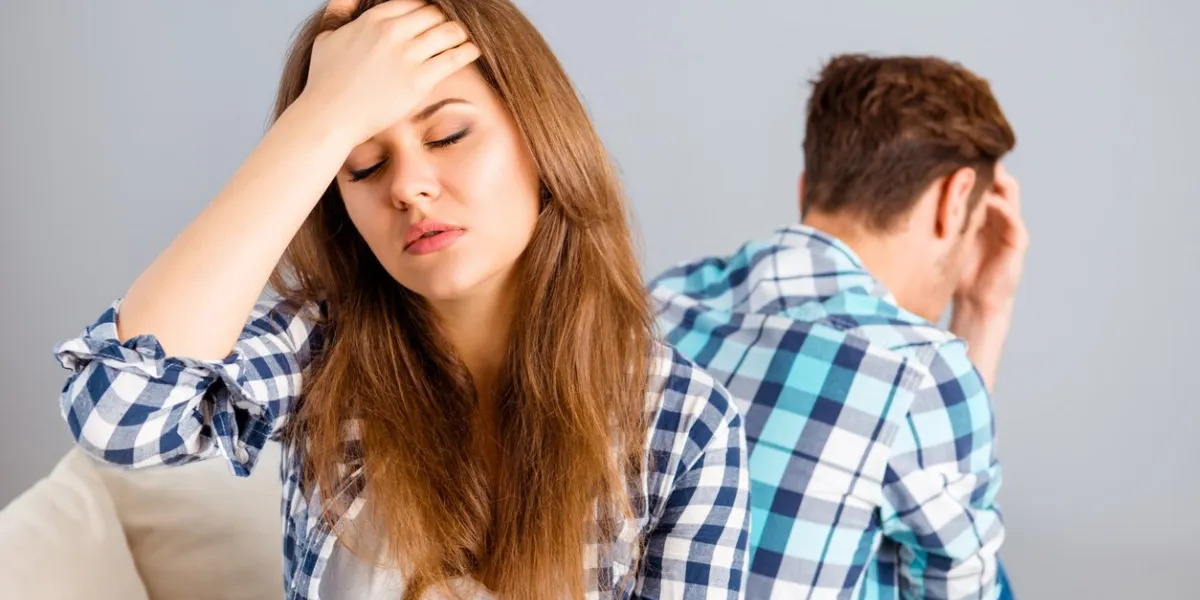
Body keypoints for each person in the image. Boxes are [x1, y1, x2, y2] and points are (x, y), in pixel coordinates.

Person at [51, 1, 751, 598]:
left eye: (448, 134)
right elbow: (121, 413)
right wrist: (320, 118)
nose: (409, 186)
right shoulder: (323, 352)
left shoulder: (681, 425)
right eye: (363, 164)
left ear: (541, 139)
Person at [650, 53, 1026, 599]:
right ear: (954, 197)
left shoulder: (657, 301)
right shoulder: (919, 370)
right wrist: (985, 315)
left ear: (807, 188)